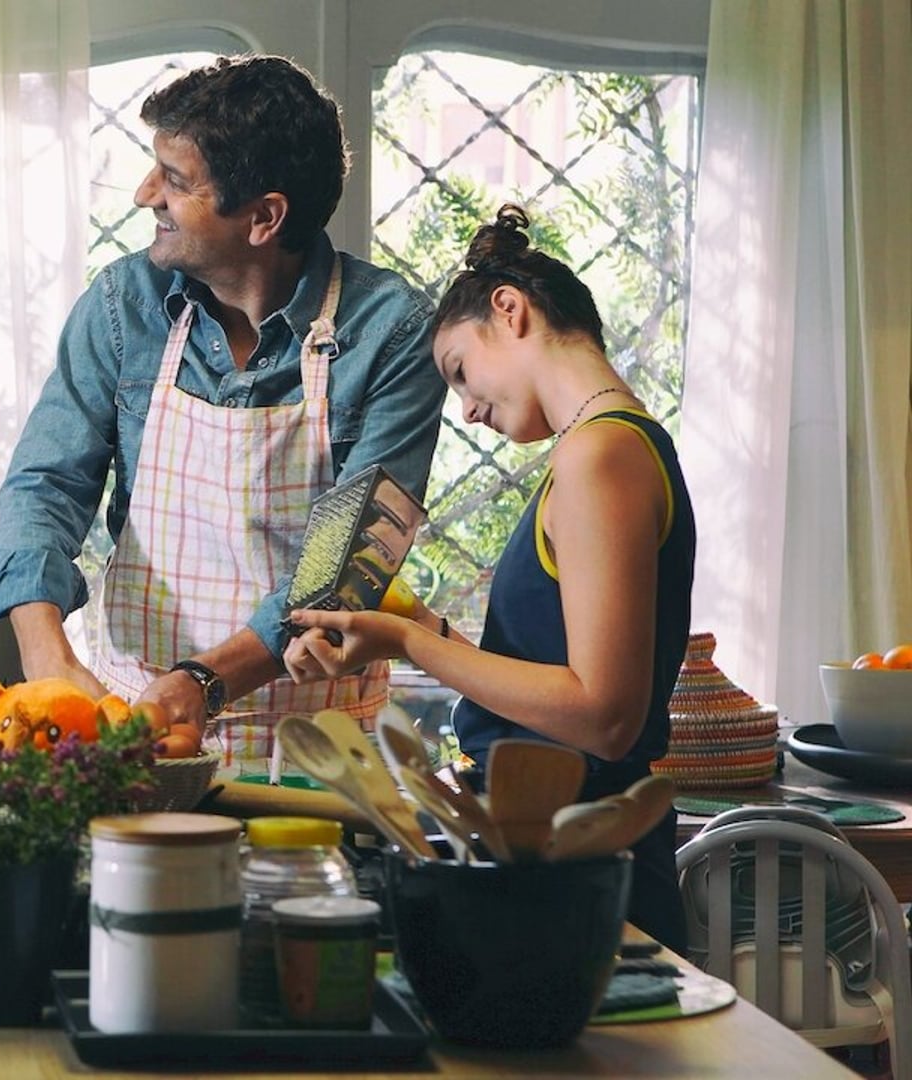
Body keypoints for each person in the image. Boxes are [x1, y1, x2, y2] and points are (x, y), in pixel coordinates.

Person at [0, 55, 446, 763]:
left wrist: (204, 681)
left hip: (319, 748)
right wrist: (48, 655)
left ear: (264, 217)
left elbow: (346, 561)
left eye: (174, 180)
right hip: (135, 725)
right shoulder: (122, 307)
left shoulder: (394, 332)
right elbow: (46, 484)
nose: (144, 196)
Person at [283, 205, 696, 952]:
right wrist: (424, 634)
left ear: (509, 310)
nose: (468, 410)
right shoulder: (607, 449)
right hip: (550, 861)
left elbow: (604, 716)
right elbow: (555, 679)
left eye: (461, 373)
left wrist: (409, 642)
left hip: (582, 874)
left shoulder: (599, 458)